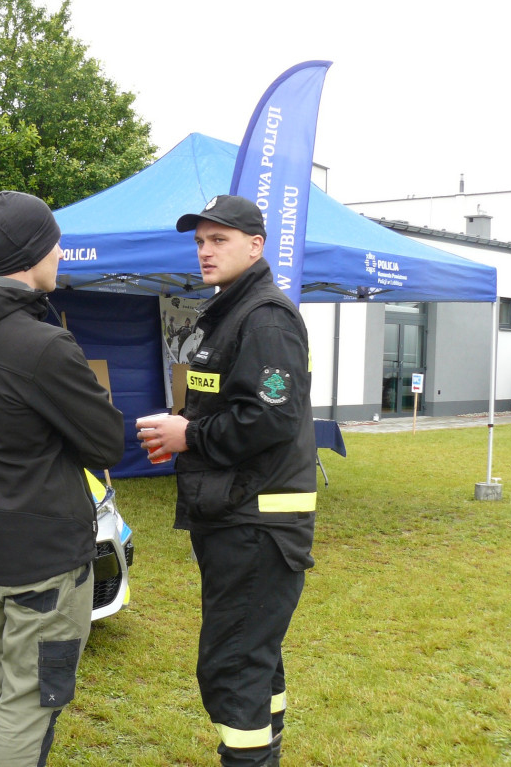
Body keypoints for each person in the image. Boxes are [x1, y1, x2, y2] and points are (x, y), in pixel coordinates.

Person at [0, 190, 124, 767]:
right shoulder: (42, 345)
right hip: (44, 558)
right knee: (30, 697)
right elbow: (106, 441)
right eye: (53, 242)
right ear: (32, 253)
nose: (60, 251)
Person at [137, 195, 317, 767]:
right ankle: (268, 749)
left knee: (233, 662)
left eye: (219, 239)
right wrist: (183, 426)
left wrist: (189, 437)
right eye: (199, 241)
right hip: (235, 515)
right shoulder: (229, 311)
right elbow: (232, 405)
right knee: (253, 654)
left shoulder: (265, 317)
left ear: (255, 245)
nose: (205, 251)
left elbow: (271, 416)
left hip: (257, 523)